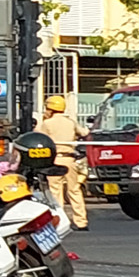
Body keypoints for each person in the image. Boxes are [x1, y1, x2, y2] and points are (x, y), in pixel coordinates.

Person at [41, 94, 90, 231]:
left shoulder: (47, 123)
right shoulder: (71, 122)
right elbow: (84, 132)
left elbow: (39, 137)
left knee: (56, 192)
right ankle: (81, 222)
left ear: (50, 108)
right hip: (70, 159)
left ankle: (60, 221)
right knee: (74, 190)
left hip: (55, 159)